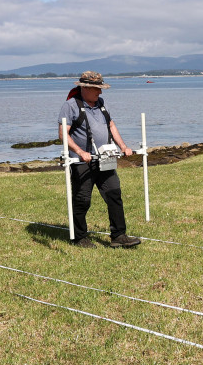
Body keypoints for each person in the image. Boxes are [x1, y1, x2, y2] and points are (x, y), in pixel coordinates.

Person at [58, 71, 141, 248]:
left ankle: (119, 236)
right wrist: (80, 152)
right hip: (81, 163)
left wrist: (123, 147)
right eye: (97, 89)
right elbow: (62, 135)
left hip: (105, 159)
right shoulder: (70, 106)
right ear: (85, 88)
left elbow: (111, 126)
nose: (100, 93)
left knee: (114, 194)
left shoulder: (101, 104)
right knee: (82, 200)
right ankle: (79, 237)